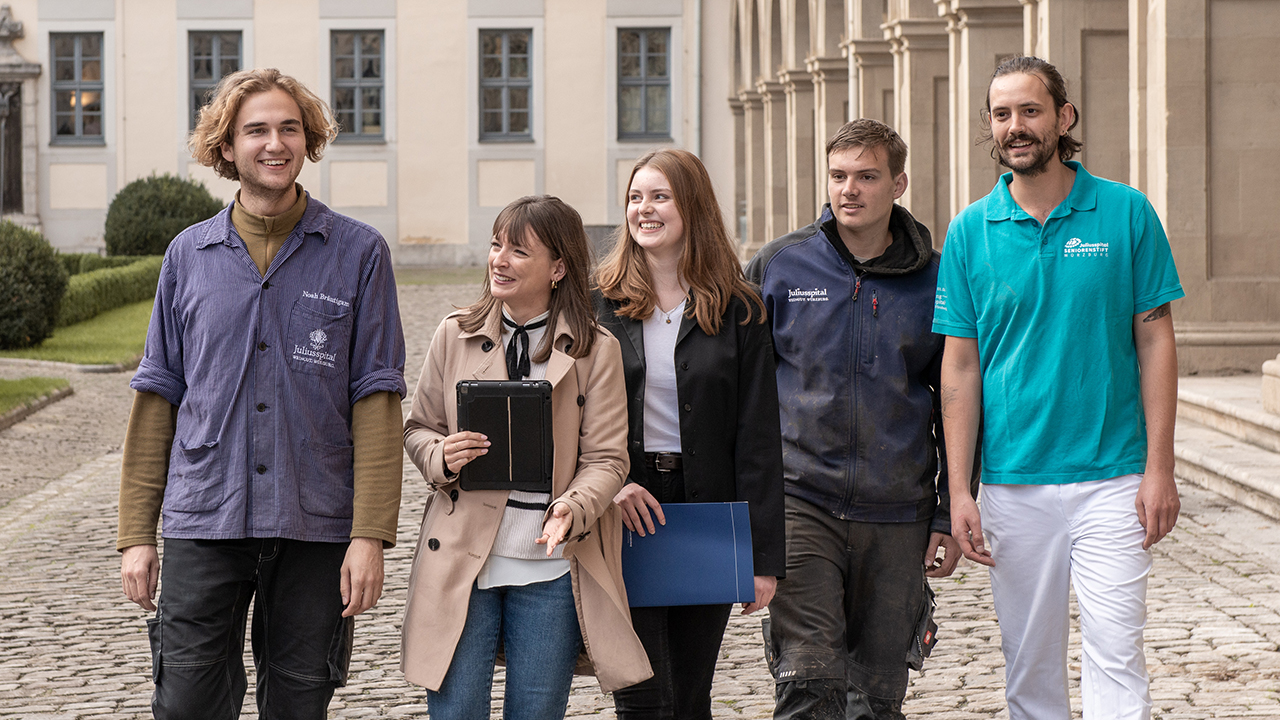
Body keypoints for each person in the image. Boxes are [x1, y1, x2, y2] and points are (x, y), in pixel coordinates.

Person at [117, 68, 406, 718]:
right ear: (225, 147)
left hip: (317, 522)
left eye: (289, 128)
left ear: (308, 141)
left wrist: (371, 536)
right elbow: (157, 394)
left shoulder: (359, 254)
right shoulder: (187, 256)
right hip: (204, 518)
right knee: (188, 701)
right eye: (256, 131)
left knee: (300, 703)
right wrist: (138, 533)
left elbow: (378, 398)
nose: (275, 143)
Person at [935, 56, 1183, 720]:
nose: (1016, 126)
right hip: (1013, 485)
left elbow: (1156, 340)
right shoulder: (969, 232)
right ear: (990, 125)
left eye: (1031, 110)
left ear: (1064, 117)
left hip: (1113, 478)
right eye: (1002, 113)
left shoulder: (1125, 213)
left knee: (1116, 651)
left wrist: (1160, 467)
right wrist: (960, 490)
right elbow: (960, 367)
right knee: (1029, 662)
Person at [745, 118, 965, 720]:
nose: (850, 190)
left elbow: (957, 399)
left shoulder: (940, 277)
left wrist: (948, 508)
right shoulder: (780, 267)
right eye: (839, 176)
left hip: (899, 509)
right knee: (808, 680)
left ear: (898, 183)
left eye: (867, 177)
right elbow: (742, 392)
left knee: (876, 695)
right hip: (800, 500)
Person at [400, 195, 652, 718]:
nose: (499, 259)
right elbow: (419, 426)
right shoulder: (455, 332)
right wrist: (441, 457)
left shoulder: (595, 348)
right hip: (462, 559)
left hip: (552, 566)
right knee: (456, 711)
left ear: (558, 267)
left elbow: (607, 458)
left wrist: (574, 507)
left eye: (519, 250)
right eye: (496, 245)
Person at [595, 148, 786, 720]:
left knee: (689, 697)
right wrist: (612, 485)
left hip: (708, 509)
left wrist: (762, 557)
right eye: (635, 197)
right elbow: (571, 416)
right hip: (625, 508)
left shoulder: (739, 310)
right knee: (640, 694)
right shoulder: (596, 303)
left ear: (692, 207)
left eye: (659, 196)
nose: (644, 209)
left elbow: (758, 439)